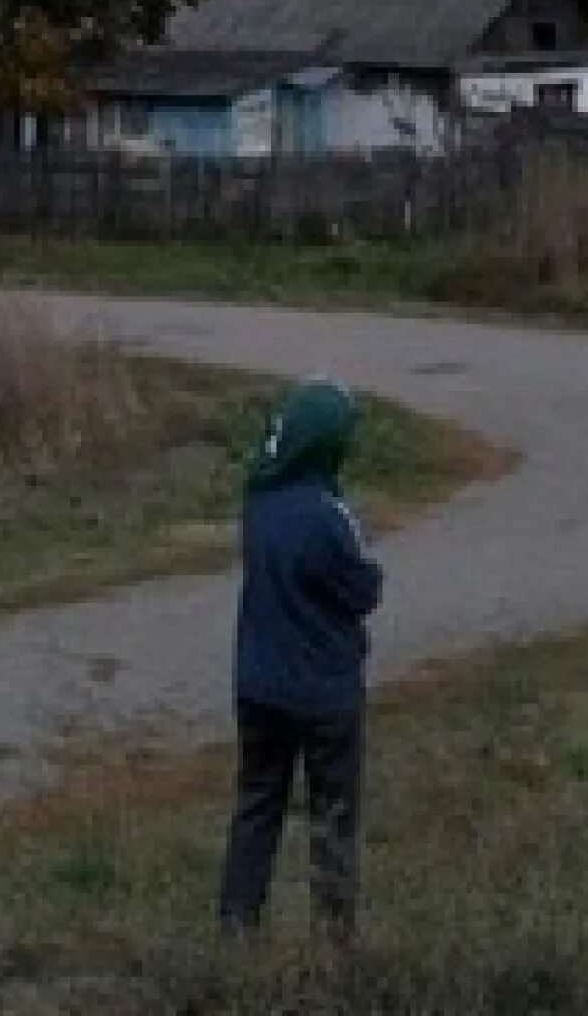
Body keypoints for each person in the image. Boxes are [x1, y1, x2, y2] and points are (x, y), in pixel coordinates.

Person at [217, 375, 383, 942]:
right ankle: (334, 937)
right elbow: (362, 592)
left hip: (258, 683)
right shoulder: (327, 517)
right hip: (323, 691)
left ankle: (236, 927)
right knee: (333, 813)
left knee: (257, 804)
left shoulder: (259, 499)